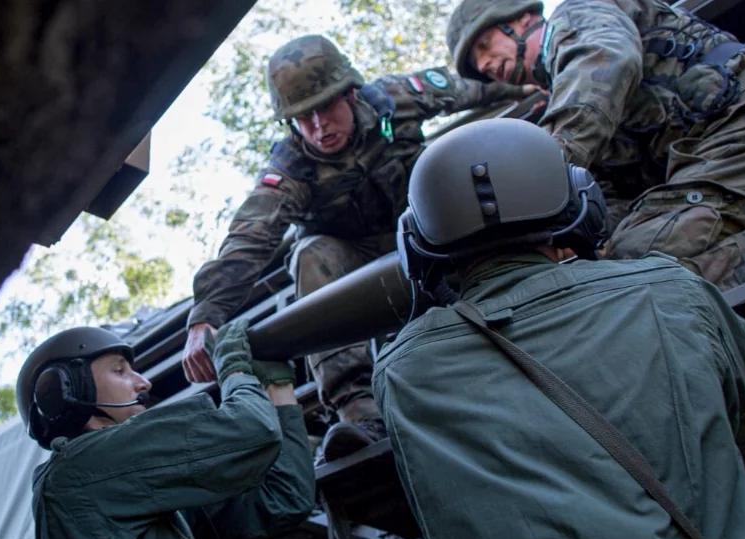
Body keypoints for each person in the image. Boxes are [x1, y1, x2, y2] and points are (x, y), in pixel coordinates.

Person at [380, 118, 745, 539]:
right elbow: (744, 411)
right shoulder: (671, 290)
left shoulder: (401, 370)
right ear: (583, 204)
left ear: (417, 247)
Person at [183, 34, 532, 460]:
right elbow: (250, 236)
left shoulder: (394, 98)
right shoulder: (291, 168)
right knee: (309, 252)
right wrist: (205, 317)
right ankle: (359, 412)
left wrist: (532, 87)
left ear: (350, 93)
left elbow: (469, 90)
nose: (318, 127)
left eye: (325, 108)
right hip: (354, 261)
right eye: (302, 118)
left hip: (426, 233)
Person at [445, 0, 745, 290]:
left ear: (522, 19)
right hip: (724, 158)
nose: (487, 64)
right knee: (625, 278)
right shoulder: (570, 103)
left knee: (640, 256)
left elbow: (606, 61)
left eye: (484, 45)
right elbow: (612, 203)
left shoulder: (579, 15)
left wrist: (533, 184)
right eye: (479, 67)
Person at [17, 322, 314, 539]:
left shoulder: (145, 497)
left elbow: (284, 499)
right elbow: (252, 431)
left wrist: (279, 388)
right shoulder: (76, 475)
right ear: (65, 391)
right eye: (120, 371)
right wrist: (233, 368)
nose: (144, 382)